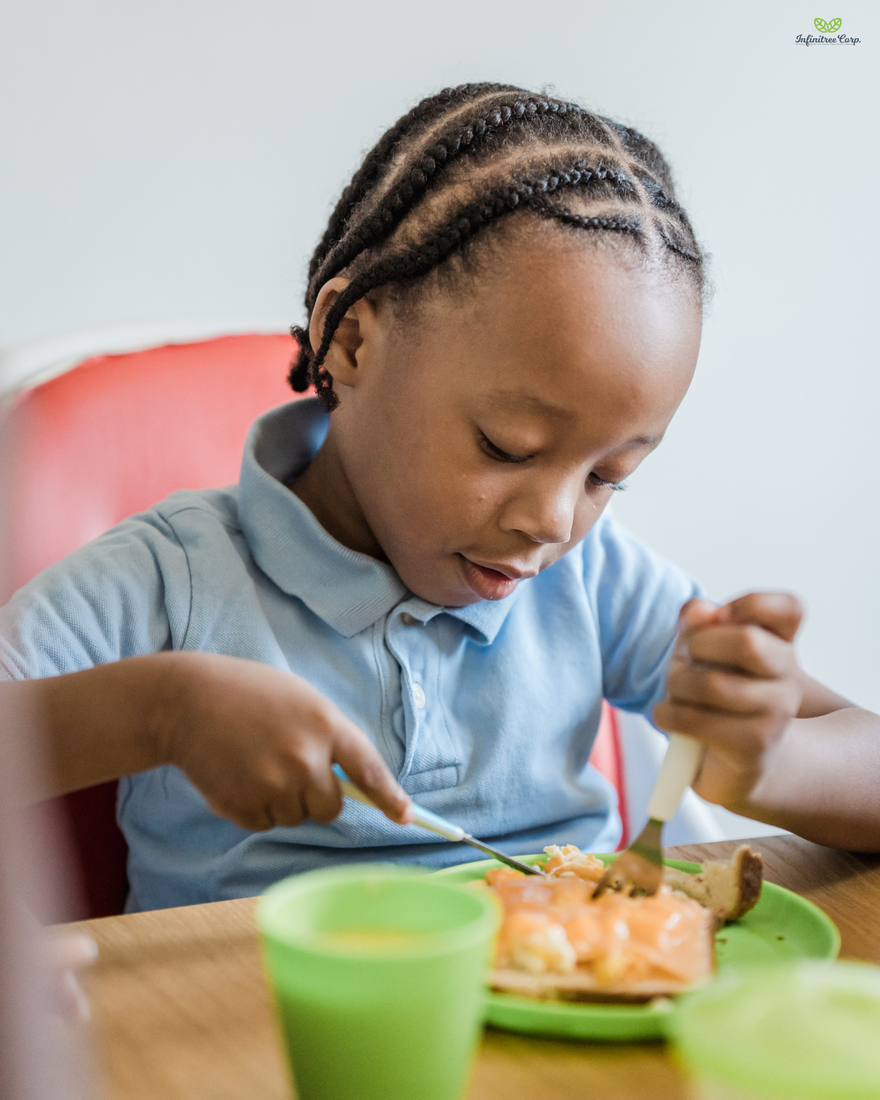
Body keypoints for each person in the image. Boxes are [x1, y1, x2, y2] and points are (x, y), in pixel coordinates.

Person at [2, 84, 878, 912]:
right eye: (507, 448)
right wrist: (159, 711)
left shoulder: (595, 580)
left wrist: (764, 762)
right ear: (349, 341)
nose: (553, 520)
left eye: (609, 477)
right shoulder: (172, 579)